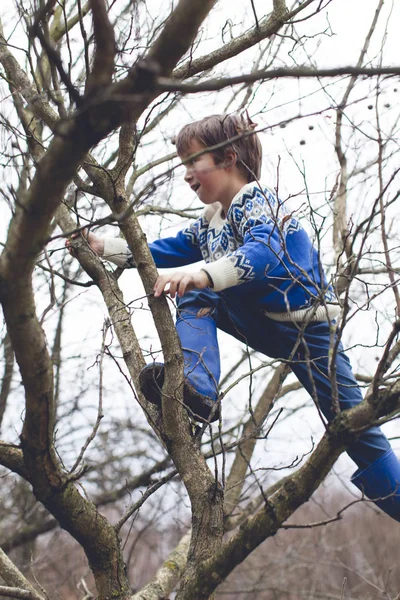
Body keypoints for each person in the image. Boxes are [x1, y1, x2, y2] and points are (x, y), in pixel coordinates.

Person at [69, 113, 400, 522]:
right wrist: (101, 245)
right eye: (183, 164)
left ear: (228, 158)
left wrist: (204, 272)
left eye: (193, 162)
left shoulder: (258, 202)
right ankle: (197, 387)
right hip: (260, 318)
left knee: (357, 432)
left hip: (308, 331)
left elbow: (265, 252)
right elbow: (156, 252)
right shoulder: (210, 223)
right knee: (195, 290)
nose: (187, 174)